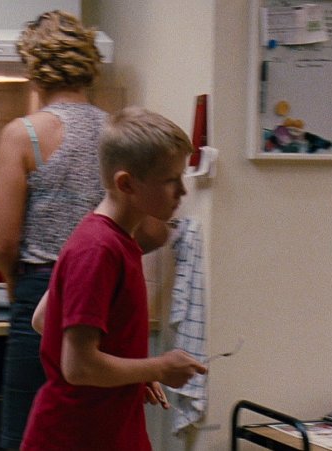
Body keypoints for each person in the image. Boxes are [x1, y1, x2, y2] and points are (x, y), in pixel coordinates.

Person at [0, 10, 168, 450]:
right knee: (103, 434)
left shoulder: (24, 135)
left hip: (43, 295)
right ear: (88, 64)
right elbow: (153, 231)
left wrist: (16, 287)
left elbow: (2, 242)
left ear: (34, 71)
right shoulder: (120, 133)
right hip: (108, 300)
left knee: (31, 434)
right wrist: (113, 258)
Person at [21, 106, 208, 451]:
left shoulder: (116, 241)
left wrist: (135, 374)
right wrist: (157, 367)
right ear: (127, 184)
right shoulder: (98, 249)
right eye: (170, 180)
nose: (182, 192)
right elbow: (78, 368)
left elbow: (44, 318)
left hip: (107, 430)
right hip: (75, 438)